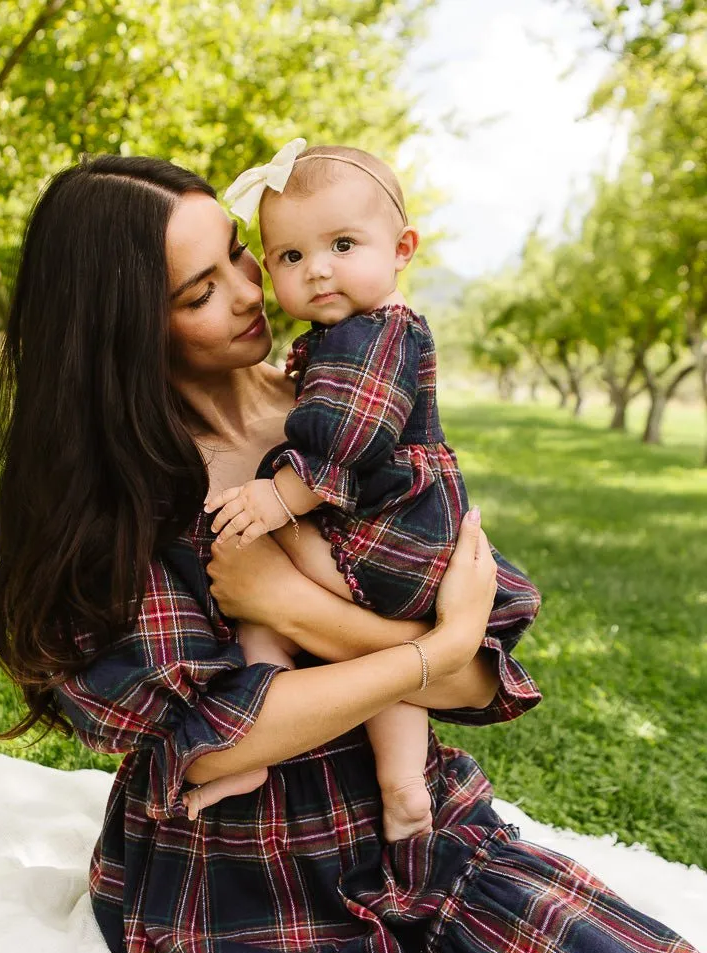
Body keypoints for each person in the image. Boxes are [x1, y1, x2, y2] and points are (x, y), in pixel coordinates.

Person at [0, 154, 707, 953]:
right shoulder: (110, 505)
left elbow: (469, 672)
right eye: (198, 291)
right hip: (253, 897)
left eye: (237, 254)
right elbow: (223, 746)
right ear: (126, 330)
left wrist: (318, 614)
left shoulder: (354, 417)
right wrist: (419, 648)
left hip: (419, 837)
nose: (249, 293)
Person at [192, 139, 542, 841]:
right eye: (288, 257)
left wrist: (280, 500)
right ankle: (402, 782)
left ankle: (258, 729)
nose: (316, 270)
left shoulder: (376, 334)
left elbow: (351, 435)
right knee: (318, 627)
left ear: (402, 247)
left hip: (390, 532)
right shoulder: (349, 334)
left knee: (263, 573)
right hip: (404, 542)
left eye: (343, 244)